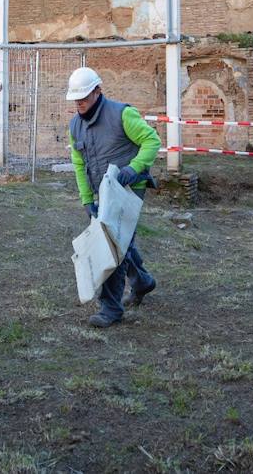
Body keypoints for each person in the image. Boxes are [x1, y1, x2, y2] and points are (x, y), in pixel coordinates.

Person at [66, 66, 160, 328]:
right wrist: (87, 199)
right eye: (76, 99)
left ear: (98, 90)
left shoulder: (123, 114)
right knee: (121, 241)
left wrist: (133, 168)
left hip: (130, 187)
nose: (80, 103)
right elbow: (78, 163)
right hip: (102, 191)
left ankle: (111, 309)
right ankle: (142, 280)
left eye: (84, 97)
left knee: (113, 245)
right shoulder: (75, 126)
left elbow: (152, 141)